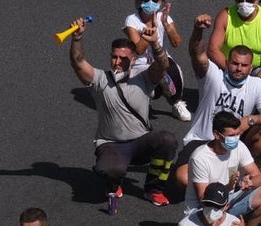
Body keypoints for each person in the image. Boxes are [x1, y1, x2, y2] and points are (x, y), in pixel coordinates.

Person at [67, 19, 179, 207]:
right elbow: (77, 62)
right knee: (110, 169)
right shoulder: (100, 79)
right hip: (112, 145)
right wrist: (77, 38)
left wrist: (155, 43)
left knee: (168, 141)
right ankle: (114, 181)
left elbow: (163, 64)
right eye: (114, 57)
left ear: (133, 60)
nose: (117, 62)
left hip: (141, 142)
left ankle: (154, 189)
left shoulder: (144, 78)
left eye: (123, 58)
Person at [176, 14, 261, 187]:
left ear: (251, 68)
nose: (239, 68)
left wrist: (251, 119)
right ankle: (218, 185)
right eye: (234, 63)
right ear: (226, 62)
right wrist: (197, 31)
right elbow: (197, 53)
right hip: (203, 140)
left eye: (244, 65)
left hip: (232, 142)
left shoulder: (257, 85)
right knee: (182, 179)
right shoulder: (213, 76)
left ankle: (243, 177)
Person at [184, 111, 261, 226]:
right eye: (231, 135)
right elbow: (203, 199)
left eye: (238, 134)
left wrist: (249, 183)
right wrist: (227, 187)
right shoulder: (200, 158)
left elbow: (259, 177)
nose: (236, 139)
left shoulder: (239, 147)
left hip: (228, 203)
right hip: (205, 210)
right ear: (217, 135)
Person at [123, 0, 192, 121]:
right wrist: (152, 26)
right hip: (140, 66)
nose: (150, 2)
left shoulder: (164, 17)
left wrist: (165, 23)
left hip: (162, 60)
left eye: (155, 0)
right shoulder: (132, 20)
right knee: (146, 95)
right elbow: (139, 50)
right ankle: (140, 101)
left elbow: (176, 42)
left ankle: (176, 102)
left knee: (172, 69)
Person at [208, 0, 261, 97]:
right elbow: (213, 49)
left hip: (256, 70)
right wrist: (233, 70)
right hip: (228, 66)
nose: (244, 2)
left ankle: (257, 107)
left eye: (249, 0)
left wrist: (255, 82)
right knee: (208, 78)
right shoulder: (225, 15)